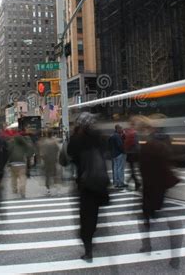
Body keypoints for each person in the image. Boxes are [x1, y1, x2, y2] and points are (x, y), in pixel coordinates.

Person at [135, 116, 182, 269]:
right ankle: (175, 258)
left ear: (145, 129)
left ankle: (147, 246)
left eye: (140, 130)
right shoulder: (164, 140)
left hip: (154, 188)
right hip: (166, 186)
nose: (139, 133)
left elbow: (146, 169)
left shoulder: (149, 145)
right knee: (172, 222)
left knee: (145, 219)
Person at [68, 112, 110, 262]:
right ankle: (92, 236)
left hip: (85, 184)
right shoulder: (100, 137)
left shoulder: (77, 139)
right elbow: (107, 153)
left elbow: (68, 156)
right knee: (94, 215)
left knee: (85, 217)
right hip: (100, 183)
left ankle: (88, 251)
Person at [6, 133, 36, 198]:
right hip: (21, 163)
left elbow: (7, 151)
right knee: (22, 177)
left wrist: (7, 162)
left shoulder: (11, 144)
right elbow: (30, 149)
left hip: (12, 162)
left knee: (13, 177)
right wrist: (29, 156)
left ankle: (14, 190)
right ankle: (22, 190)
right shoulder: (24, 144)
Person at [124, 118, 141, 190]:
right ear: (134, 125)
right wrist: (139, 151)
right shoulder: (134, 133)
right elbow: (136, 144)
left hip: (129, 154)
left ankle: (132, 182)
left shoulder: (127, 132)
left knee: (132, 169)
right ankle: (136, 182)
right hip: (134, 153)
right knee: (134, 169)